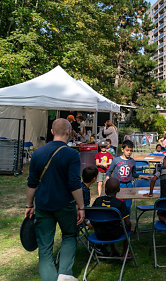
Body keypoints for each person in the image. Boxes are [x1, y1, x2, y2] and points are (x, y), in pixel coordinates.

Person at [25, 118, 84, 281]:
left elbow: (32, 182)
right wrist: (81, 207)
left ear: (51, 132)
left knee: (44, 247)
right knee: (70, 236)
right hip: (65, 204)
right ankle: (65, 274)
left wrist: (29, 204)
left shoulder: (37, 153)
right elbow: (74, 183)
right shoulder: (72, 154)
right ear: (69, 132)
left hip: (43, 204)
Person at [92, 178, 132, 257]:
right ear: (119, 190)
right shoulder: (120, 203)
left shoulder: (98, 200)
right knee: (126, 228)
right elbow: (127, 222)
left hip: (99, 233)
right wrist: (130, 228)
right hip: (114, 234)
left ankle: (113, 250)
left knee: (108, 224)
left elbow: (92, 218)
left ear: (105, 189)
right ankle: (125, 253)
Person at [106, 140, 150, 212]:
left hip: (129, 185)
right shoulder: (116, 160)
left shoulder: (132, 161)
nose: (129, 152)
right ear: (122, 149)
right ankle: (118, 220)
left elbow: (134, 174)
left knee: (128, 205)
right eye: (127, 150)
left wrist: (144, 177)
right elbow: (109, 171)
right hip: (118, 185)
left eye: (131, 150)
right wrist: (107, 178)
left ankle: (127, 220)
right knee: (117, 204)